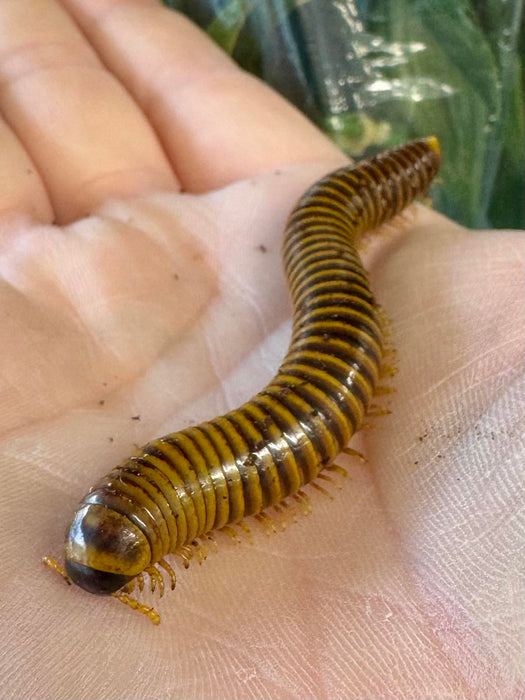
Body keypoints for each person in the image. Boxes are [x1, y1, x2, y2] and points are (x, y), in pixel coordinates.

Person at [0, 1, 523, 698]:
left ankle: (392, 173)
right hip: (322, 376)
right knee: (320, 264)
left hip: (328, 258)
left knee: (321, 231)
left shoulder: (144, 524)